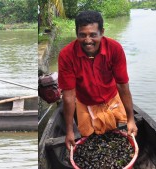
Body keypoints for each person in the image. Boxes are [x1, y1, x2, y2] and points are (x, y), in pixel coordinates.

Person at [57, 11, 138, 150]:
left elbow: (122, 85)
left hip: (112, 98)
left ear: (102, 32)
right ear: (77, 33)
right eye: (82, 35)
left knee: (119, 132)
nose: (88, 40)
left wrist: (131, 119)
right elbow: (69, 96)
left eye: (93, 35)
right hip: (85, 101)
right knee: (88, 138)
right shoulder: (66, 55)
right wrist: (69, 131)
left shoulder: (115, 49)